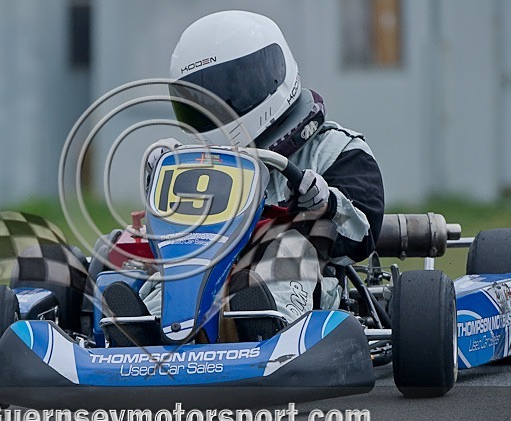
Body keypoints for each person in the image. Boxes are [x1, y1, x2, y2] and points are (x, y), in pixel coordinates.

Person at [140, 10, 385, 328]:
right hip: (209, 271)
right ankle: (147, 325)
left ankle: (268, 323)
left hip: (310, 290)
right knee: (147, 253)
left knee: (287, 247)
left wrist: (326, 203)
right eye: (202, 98)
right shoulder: (202, 165)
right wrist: (162, 178)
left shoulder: (336, 150)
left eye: (228, 90)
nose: (218, 106)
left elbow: (362, 238)